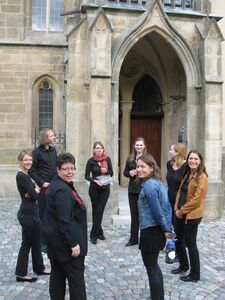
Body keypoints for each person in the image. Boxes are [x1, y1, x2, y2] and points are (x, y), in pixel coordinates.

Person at [44, 153, 87, 300]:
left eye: (72, 168)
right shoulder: (62, 190)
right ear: (58, 170)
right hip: (66, 246)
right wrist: (74, 243)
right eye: (65, 169)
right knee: (76, 281)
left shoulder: (58, 184)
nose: (70, 172)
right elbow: (64, 220)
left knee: (57, 276)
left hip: (56, 243)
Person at [136, 154, 172, 300]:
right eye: (138, 166)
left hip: (151, 231)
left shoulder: (150, 185)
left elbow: (158, 211)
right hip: (155, 230)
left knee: (151, 268)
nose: (139, 169)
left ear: (152, 168)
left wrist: (167, 230)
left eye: (143, 166)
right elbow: (167, 207)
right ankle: (158, 296)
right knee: (154, 266)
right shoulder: (157, 183)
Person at [171, 150, 208, 282]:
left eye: (195, 159)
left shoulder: (202, 177)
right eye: (191, 158)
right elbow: (179, 192)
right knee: (178, 240)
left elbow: (197, 200)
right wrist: (176, 208)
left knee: (191, 244)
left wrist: (181, 211)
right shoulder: (187, 174)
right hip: (179, 212)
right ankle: (183, 265)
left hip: (191, 215)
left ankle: (195, 274)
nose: (193, 161)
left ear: (200, 161)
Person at [15, 150, 50, 283]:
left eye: (30, 160)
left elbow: (33, 193)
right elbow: (35, 195)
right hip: (28, 215)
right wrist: (35, 189)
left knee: (35, 242)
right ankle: (21, 273)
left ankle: (39, 268)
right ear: (20, 161)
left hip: (31, 213)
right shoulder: (22, 176)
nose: (28, 162)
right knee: (27, 244)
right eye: (25, 160)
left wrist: (34, 189)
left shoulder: (26, 175)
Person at [29, 128, 57, 252]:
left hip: (54, 187)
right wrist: (41, 183)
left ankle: (50, 239)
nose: (54, 137)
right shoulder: (36, 152)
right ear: (45, 138)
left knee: (51, 213)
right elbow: (31, 170)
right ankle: (41, 242)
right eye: (51, 136)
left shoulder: (53, 150)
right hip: (43, 188)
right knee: (42, 214)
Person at [85, 141, 113, 244]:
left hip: (105, 188)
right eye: (97, 148)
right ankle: (99, 232)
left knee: (100, 210)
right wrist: (94, 180)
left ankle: (93, 234)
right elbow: (86, 176)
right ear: (93, 150)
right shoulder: (90, 161)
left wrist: (106, 172)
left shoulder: (107, 159)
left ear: (103, 150)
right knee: (95, 210)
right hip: (94, 188)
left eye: (101, 148)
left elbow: (112, 173)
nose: (99, 150)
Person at [123, 137, 147, 246]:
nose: (139, 147)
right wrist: (130, 173)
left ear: (144, 146)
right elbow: (125, 173)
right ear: (134, 146)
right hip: (132, 190)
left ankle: (144, 238)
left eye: (141, 145)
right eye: (137, 145)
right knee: (134, 215)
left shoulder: (147, 158)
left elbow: (152, 171)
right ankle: (133, 239)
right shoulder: (130, 158)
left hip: (143, 189)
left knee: (144, 214)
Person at [166, 143, 187, 226]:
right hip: (170, 195)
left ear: (178, 152)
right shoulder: (169, 164)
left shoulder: (186, 166)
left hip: (180, 197)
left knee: (178, 222)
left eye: (171, 150)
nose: (169, 151)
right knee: (170, 221)